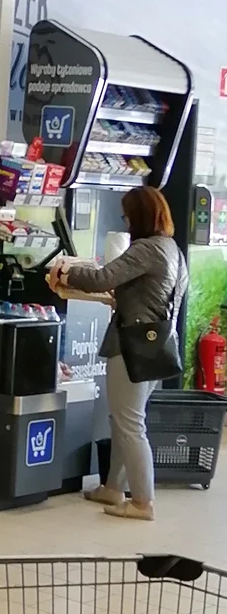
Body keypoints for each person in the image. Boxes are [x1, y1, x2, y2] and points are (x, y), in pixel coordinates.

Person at [49, 186, 187, 521]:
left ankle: (142, 501)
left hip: (133, 345)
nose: (124, 220)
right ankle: (114, 487)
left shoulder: (146, 249)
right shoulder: (171, 249)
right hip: (156, 345)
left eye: (127, 214)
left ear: (139, 215)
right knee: (123, 419)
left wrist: (65, 269)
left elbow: (101, 278)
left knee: (129, 423)